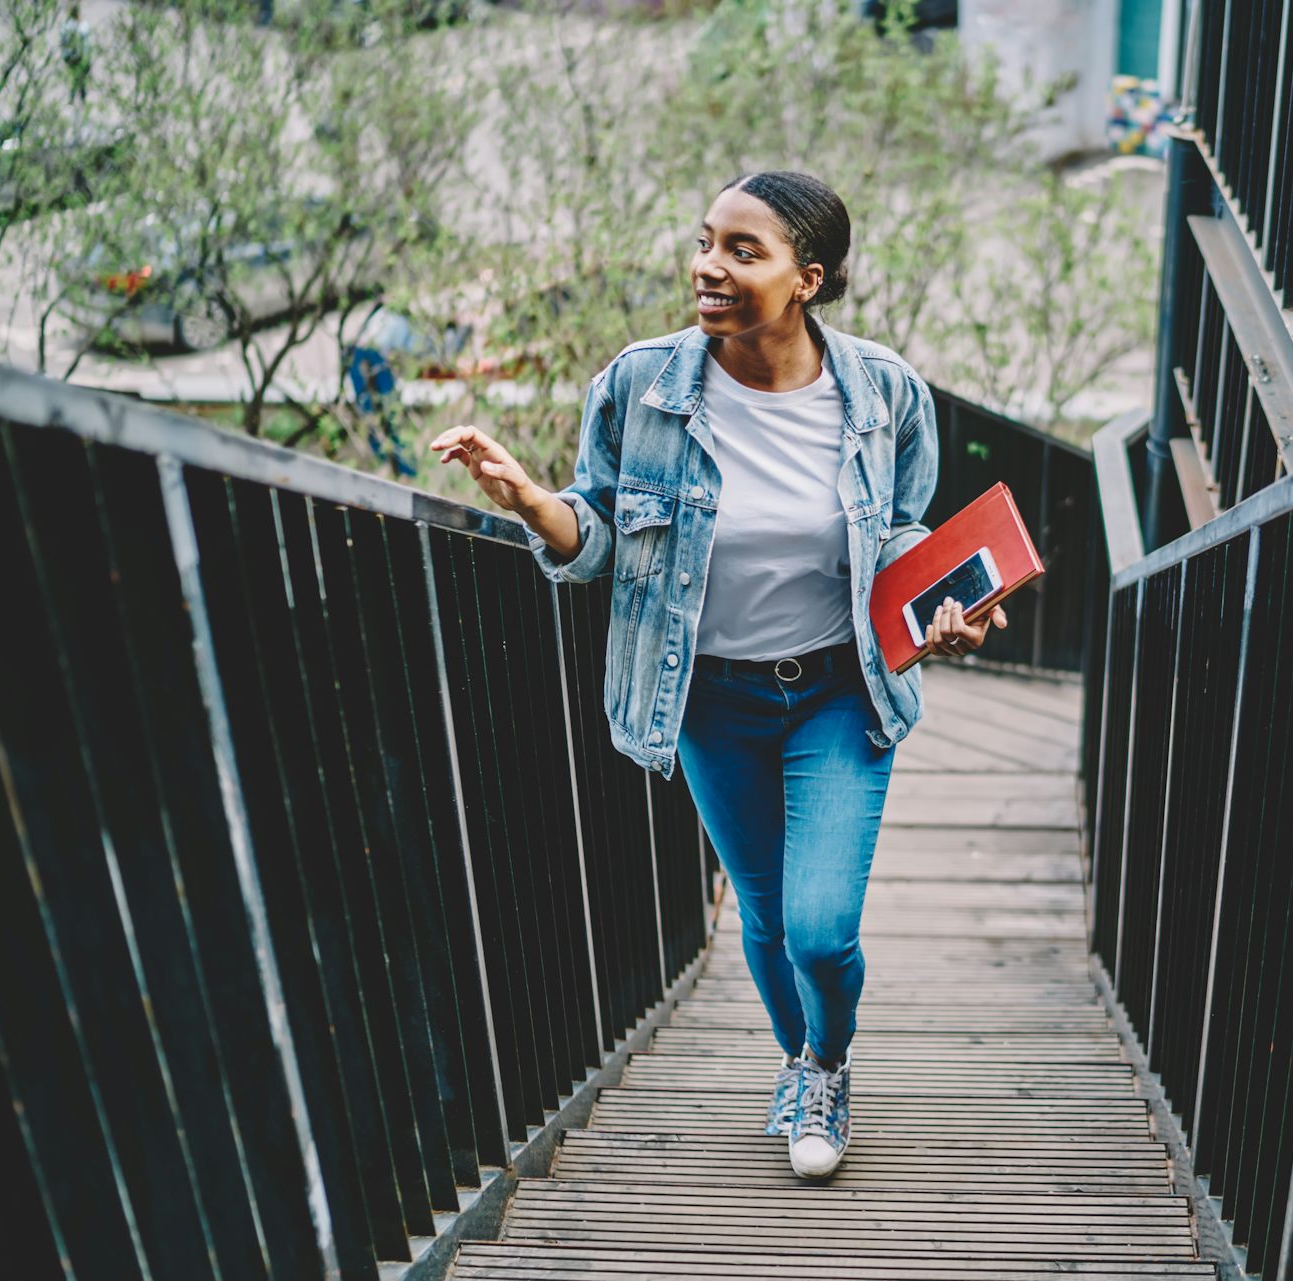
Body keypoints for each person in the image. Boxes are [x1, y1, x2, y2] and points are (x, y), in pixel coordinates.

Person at [429, 172, 1005, 1179]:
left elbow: (905, 529)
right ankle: (808, 1070)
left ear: (806, 280)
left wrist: (951, 609)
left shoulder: (884, 394)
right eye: (707, 242)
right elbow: (597, 536)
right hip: (705, 697)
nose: (709, 265)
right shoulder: (640, 386)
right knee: (770, 915)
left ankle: (826, 1054)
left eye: (744, 251)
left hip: (839, 689)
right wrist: (527, 499)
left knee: (822, 932)